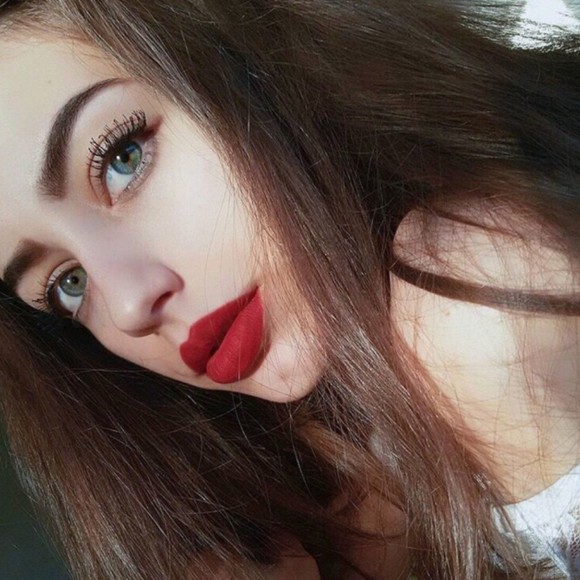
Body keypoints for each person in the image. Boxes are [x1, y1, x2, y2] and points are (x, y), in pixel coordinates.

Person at [0, 0, 578, 578]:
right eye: (68, 283)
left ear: (248, 56)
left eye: (122, 158)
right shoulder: (325, 453)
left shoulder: (467, 293)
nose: (127, 307)